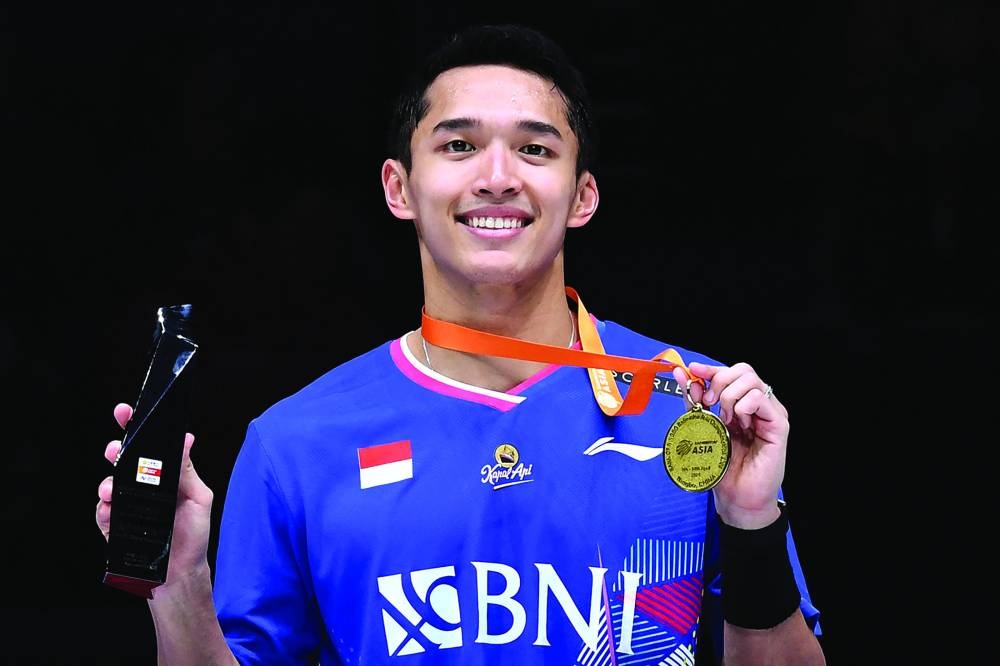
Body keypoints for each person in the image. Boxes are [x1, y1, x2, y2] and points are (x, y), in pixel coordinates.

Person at [96, 23, 824, 665]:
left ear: (582, 197)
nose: (498, 177)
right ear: (400, 187)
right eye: (460, 144)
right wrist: (179, 581)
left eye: (535, 148)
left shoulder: (692, 414)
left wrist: (753, 524)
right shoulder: (296, 442)